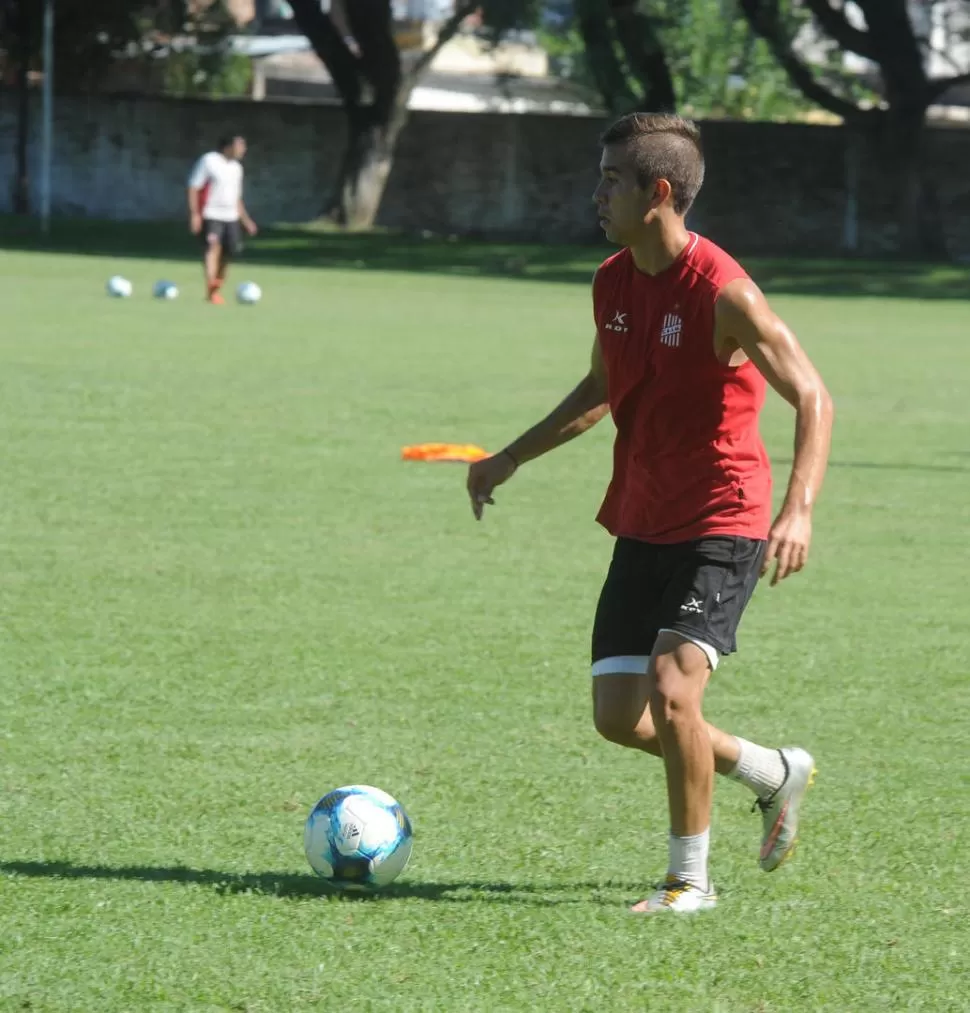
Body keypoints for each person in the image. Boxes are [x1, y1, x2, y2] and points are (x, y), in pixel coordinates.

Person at [466, 113, 834, 915]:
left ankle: (688, 881)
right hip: (641, 515)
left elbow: (812, 393)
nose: (596, 194)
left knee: (674, 695)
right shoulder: (612, 280)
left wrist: (798, 509)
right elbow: (600, 390)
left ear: (657, 192)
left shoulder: (723, 292)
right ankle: (771, 770)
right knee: (619, 717)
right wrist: (510, 456)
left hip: (722, 515)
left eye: (610, 180)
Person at [187, 135, 258, 304]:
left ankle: (215, 288)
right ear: (227, 147)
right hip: (211, 214)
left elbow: (237, 198)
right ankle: (210, 286)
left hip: (231, 217)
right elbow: (193, 187)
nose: (243, 150)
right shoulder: (208, 161)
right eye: (240, 146)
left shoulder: (237, 168)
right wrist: (195, 213)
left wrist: (246, 220)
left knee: (230, 252)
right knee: (212, 247)